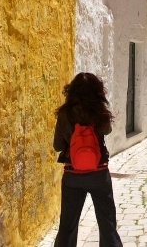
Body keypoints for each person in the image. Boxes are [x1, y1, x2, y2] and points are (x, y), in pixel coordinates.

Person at [53, 72, 123, 247]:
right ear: (97, 91)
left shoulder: (64, 114)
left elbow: (58, 146)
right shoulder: (99, 111)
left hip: (72, 175)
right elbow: (107, 131)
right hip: (99, 174)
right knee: (107, 224)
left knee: (67, 225)